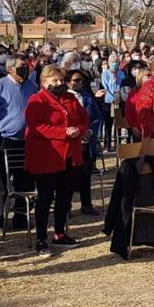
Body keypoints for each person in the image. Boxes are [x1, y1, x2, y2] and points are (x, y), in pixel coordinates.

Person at [24, 64, 87, 257]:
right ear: (44, 82)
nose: (58, 84)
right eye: (54, 81)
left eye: (60, 80)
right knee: (45, 198)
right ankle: (41, 238)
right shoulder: (37, 100)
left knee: (65, 197)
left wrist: (79, 130)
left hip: (69, 155)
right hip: (47, 156)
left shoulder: (70, 98)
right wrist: (63, 133)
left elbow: (84, 119)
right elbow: (36, 126)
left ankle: (60, 233)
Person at [0, 54, 38, 230]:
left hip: (26, 141)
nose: (26, 69)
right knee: (1, 185)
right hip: (4, 141)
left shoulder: (31, 86)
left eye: (27, 65)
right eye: (21, 66)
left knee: (25, 182)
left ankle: (21, 219)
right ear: (10, 69)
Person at [67, 69, 103, 216]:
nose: (79, 83)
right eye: (76, 80)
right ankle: (66, 205)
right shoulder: (64, 98)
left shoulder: (88, 98)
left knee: (85, 174)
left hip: (87, 142)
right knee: (69, 176)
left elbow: (97, 117)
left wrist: (89, 131)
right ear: (68, 82)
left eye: (81, 80)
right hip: (70, 142)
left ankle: (86, 204)